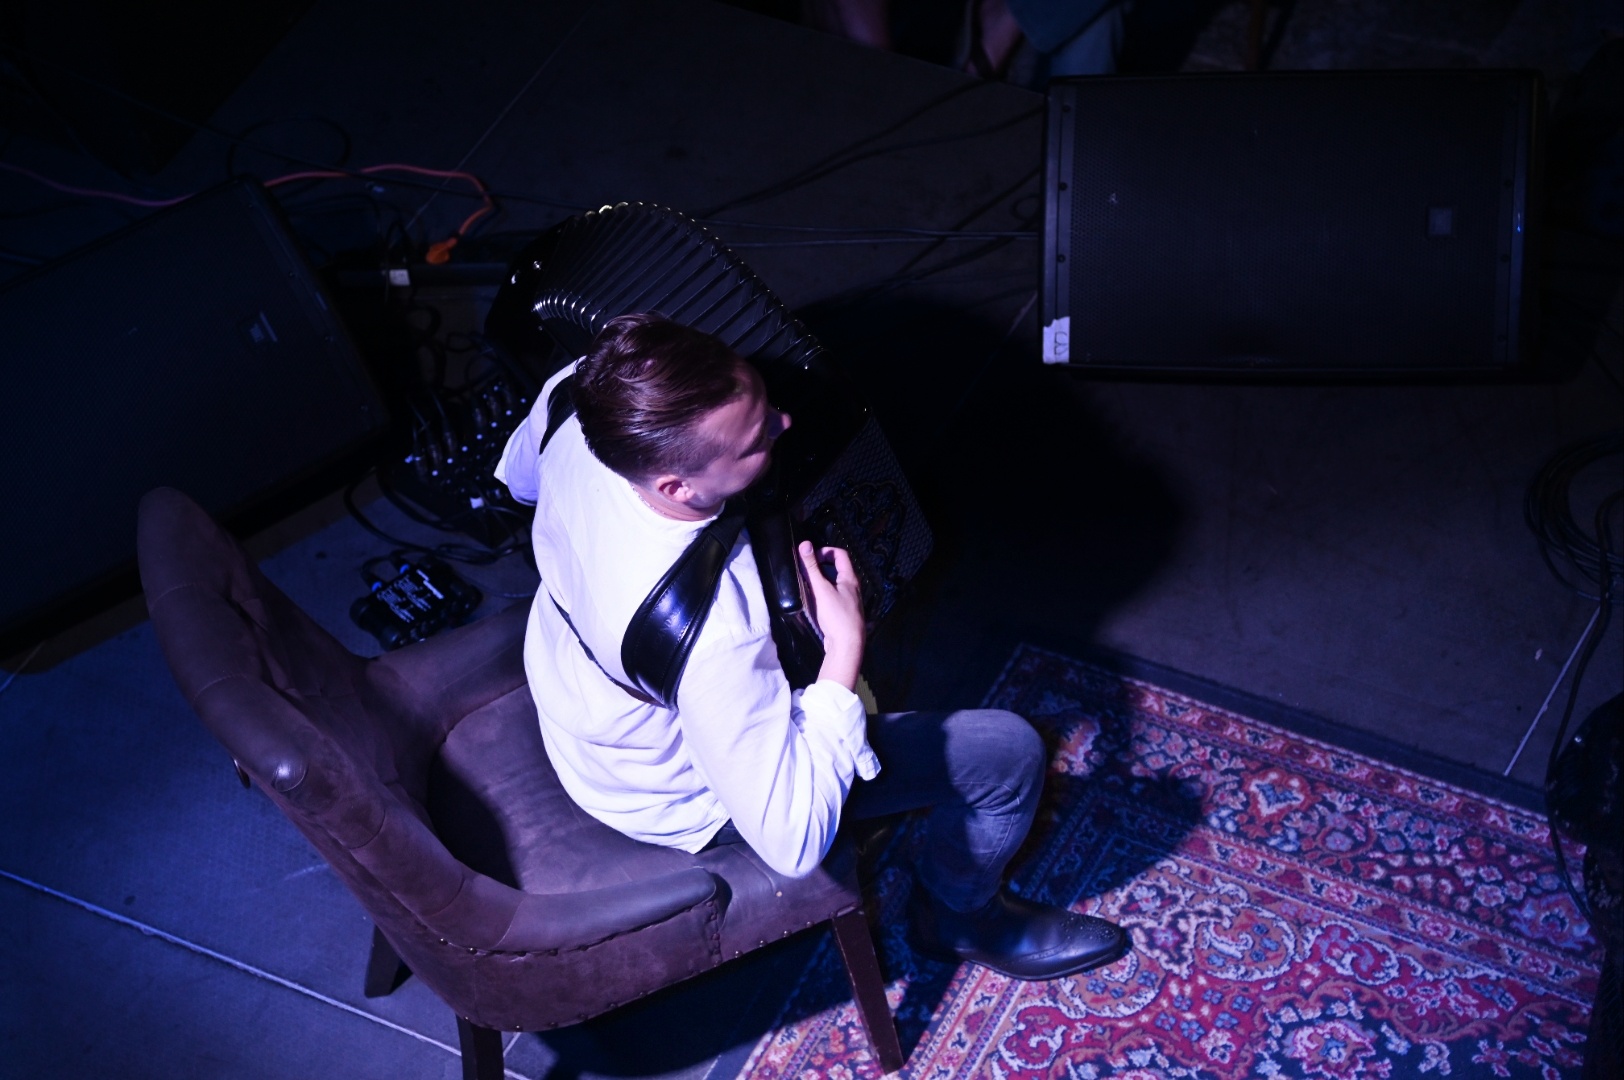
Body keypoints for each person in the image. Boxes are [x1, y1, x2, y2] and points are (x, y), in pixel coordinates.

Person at [494, 312, 1129, 979]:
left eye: (765, 405)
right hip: (675, 791)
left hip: (585, 708)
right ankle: (960, 916)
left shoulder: (584, 396)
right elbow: (792, 840)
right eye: (755, 441)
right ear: (676, 487)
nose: (784, 423)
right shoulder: (716, 635)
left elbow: (517, 482)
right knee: (1007, 754)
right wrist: (843, 649)